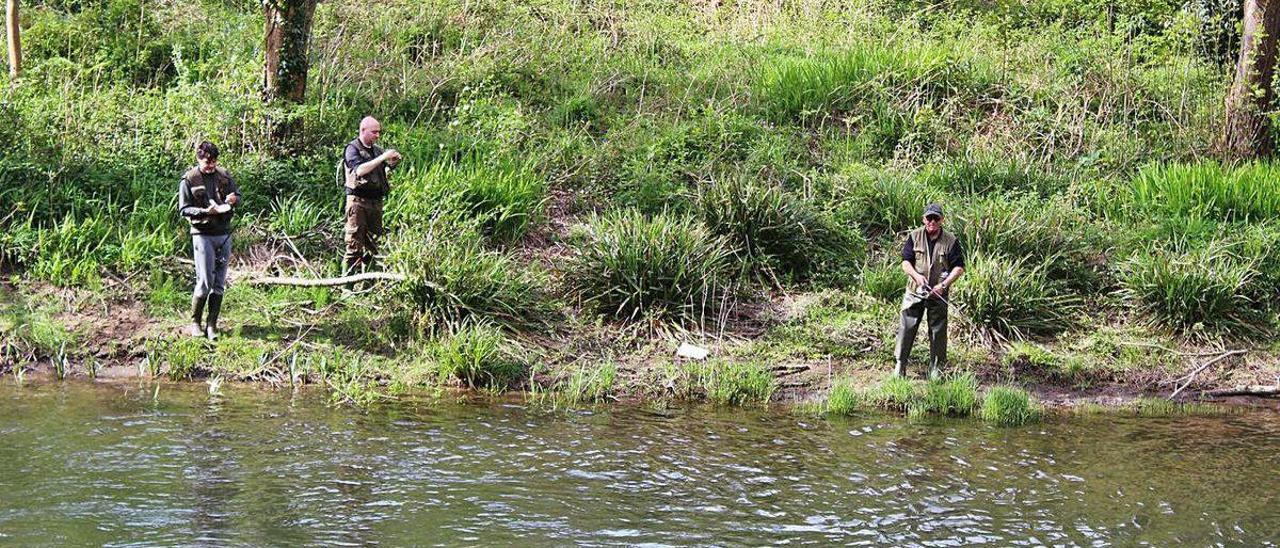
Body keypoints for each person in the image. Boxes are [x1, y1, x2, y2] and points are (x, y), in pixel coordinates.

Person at [178, 141, 240, 340]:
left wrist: (233, 199)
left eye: (214, 162)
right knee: (204, 281)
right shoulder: (189, 179)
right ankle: (195, 323)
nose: (211, 166)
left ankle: (212, 325)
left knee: (219, 283)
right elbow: (184, 209)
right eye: (207, 162)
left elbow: (238, 196)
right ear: (198, 158)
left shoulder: (224, 175)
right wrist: (205, 211)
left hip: (223, 233)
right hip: (202, 234)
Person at [895, 203, 965, 378]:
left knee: (938, 330)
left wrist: (943, 285)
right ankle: (900, 365)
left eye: (936, 218)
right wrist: (917, 277)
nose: (932, 221)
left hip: (939, 292)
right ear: (923, 219)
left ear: (942, 220)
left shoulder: (951, 240)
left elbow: (959, 267)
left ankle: (936, 368)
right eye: (929, 218)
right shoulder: (914, 236)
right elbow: (905, 262)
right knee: (907, 327)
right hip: (915, 291)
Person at [341, 116, 401, 274]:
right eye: (374, 132)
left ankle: (368, 285)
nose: (377, 135)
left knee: (373, 246)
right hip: (357, 203)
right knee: (354, 246)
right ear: (363, 130)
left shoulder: (377, 150)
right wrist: (382, 157)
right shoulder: (352, 149)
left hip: (375, 203)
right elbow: (359, 170)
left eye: (379, 132)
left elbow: (385, 169)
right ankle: (347, 289)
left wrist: (393, 161)